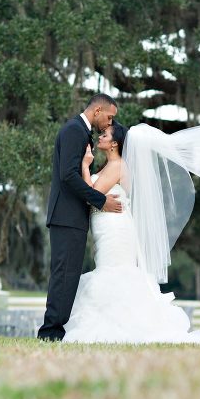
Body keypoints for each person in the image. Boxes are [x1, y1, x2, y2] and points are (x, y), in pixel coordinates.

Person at [61, 121, 200, 345]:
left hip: (115, 229)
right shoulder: (108, 166)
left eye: (105, 134)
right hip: (106, 227)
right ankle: (118, 321)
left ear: (114, 143)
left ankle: (121, 325)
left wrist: (84, 166)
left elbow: (90, 196)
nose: (99, 136)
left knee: (114, 272)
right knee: (111, 271)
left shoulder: (117, 166)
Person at [38, 94, 124, 342]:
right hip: (66, 216)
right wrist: (101, 201)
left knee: (68, 274)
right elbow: (67, 175)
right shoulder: (74, 130)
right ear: (97, 111)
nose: (109, 123)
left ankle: (55, 330)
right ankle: (50, 332)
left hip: (72, 217)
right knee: (64, 274)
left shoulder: (80, 132)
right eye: (109, 117)